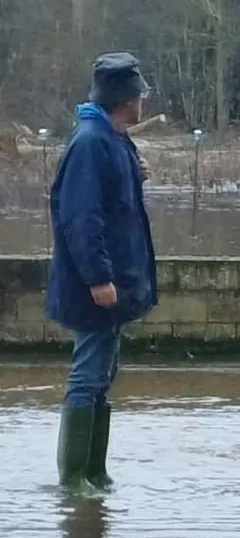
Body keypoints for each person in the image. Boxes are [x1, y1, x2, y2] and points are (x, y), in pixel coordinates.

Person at [46, 52, 157, 489]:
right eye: (139, 95)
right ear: (126, 100)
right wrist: (98, 278)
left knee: (101, 376)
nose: (143, 102)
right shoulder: (92, 142)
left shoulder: (112, 138)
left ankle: (94, 472)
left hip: (115, 279)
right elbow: (81, 217)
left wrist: (135, 173)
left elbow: (110, 202)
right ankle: (75, 478)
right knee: (88, 374)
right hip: (96, 284)